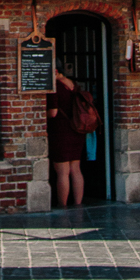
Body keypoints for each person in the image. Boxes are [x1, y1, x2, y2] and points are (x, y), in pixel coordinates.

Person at [46, 64, 87, 207]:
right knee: (76, 169)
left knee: (62, 172)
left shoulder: (55, 86)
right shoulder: (74, 85)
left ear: (56, 71)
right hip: (77, 130)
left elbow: (53, 112)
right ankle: (78, 203)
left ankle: (62, 205)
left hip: (60, 131)